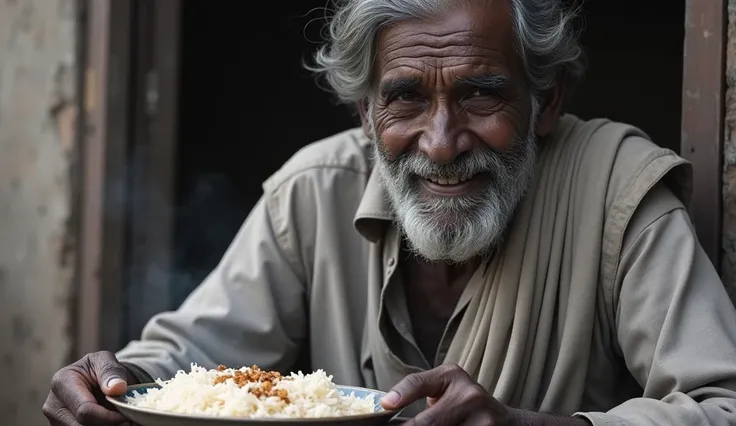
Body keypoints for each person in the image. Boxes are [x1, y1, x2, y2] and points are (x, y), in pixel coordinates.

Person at [43, 0, 736, 425]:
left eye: (481, 95)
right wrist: (116, 384)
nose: (441, 144)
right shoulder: (316, 190)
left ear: (545, 102)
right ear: (366, 115)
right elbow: (189, 361)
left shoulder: (618, 192)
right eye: (405, 99)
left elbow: (722, 405)